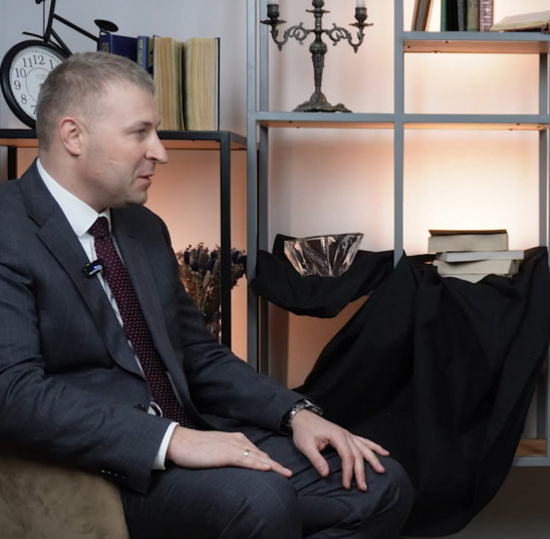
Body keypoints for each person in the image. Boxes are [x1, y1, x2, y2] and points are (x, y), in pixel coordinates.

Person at [0, 51, 413, 539]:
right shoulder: (9, 228)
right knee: (262, 502)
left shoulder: (143, 228)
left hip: (192, 431)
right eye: (139, 133)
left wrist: (294, 413)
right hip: (105, 463)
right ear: (73, 135)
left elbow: (197, 354)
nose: (160, 152)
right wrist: (170, 440)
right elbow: (14, 392)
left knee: (380, 484)